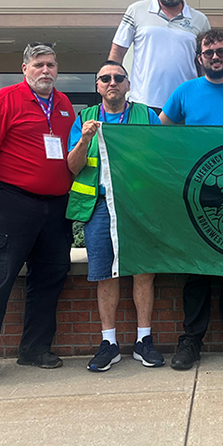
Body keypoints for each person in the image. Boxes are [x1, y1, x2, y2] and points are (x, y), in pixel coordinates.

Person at [0, 43, 75, 385]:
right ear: (24, 68)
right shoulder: (5, 99)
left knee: (49, 280)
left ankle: (35, 349)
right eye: (39, 64)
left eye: (52, 65)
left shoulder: (65, 105)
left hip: (55, 208)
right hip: (11, 204)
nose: (46, 71)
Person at [160, 29, 223, 371]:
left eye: (220, 51)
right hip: (199, 191)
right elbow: (160, 135)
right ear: (199, 58)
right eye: (208, 52)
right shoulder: (184, 92)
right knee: (197, 271)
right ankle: (191, 340)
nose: (215, 56)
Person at [66, 61, 164, 372]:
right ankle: (109, 342)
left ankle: (143, 340)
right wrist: (83, 139)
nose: (112, 83)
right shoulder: (84, 118)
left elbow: (162, 156)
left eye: (118, 78)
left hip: (139, 204)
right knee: (104, 274)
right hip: (100, 207)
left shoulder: (146, 116)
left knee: (143, 271)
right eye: (105, 79)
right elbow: (72, 166)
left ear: (127, 84)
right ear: (97, 86)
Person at [108, 0, 211, 111]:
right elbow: (116, 54)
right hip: (142, 104)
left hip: (185, 105)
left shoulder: (200, 20)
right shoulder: (136, 10)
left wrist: (205, 97)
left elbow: (206, 64)